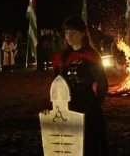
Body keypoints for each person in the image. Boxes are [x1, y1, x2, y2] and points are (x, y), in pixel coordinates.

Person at [43, 15, 109, 155]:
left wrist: (95, 104)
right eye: (67, 32)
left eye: (73, 32)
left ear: (83, 33)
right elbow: (55, 84)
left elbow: (102, 84)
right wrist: (52, 107)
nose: (69, 36)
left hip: (87, 107)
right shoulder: (62, 57)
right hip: (67, 107)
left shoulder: (91, 56)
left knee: (89, 146)